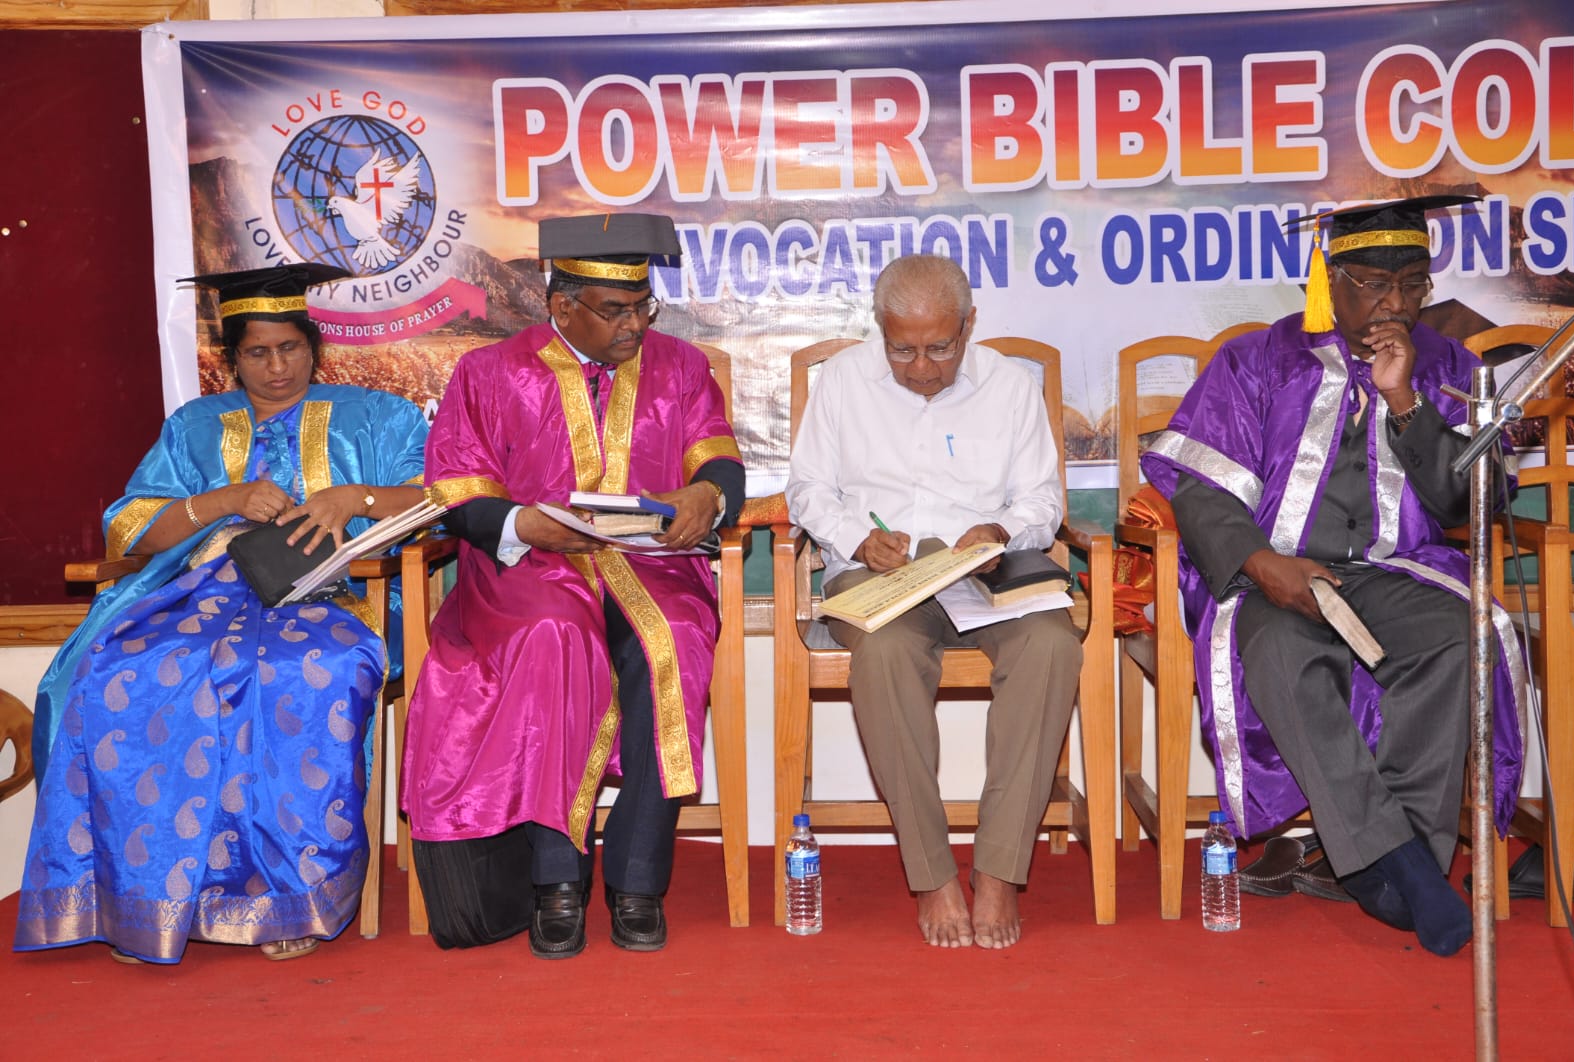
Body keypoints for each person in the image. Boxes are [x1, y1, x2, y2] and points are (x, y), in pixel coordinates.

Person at [1141, 195, 1528, 957]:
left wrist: (1405, 400)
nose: (1395, 304)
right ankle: (1404, 869)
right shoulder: (1256, 359)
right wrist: (1262, 564)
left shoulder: (1451, 368)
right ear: (1327, 282)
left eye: (1412, 285)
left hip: (1397, 572)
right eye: (1375, 285)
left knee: (1459, 637)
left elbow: (1468, 505)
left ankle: (1397, 861)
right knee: (1282, 655)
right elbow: (1198, 488)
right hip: (1271, 574)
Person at [16, 264, 430, 964]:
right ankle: (142, 900)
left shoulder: (378, 417)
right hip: (197, 598)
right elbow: (132, 528)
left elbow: (437, 497)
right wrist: (223, 501)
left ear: (314, 347)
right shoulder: (195, 426)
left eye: (290, 348)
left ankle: (288, 898)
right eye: (257, 353)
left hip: (334, 601)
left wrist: (353, 498)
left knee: (294, 676)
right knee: (128, 672)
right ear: (231, 359)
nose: (277, 367)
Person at [402, 213, 744, 959]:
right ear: (562, 306)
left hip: (650, 565)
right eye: (616, 310)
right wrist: (523, 523)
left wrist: (707, 496)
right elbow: (457, 493)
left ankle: (637, 882)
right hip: (532, 568)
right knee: (555, 639)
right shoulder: (489, 372)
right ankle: (556, 879)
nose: (635, 325)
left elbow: (719, 461)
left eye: (644, 307)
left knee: (674, 639)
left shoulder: (682, 367)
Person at [785, 254, 1083, 949]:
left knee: (1051, 644)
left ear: (969, 325)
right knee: (887, 655)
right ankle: (932, 875)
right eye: (902, 350)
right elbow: (807, 490)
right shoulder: (843, 382)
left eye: (940, 349)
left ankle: (1000, 869)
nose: (921, 368)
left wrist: (1001, 531)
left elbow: (1043, 501)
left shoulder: (1009, 386)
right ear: (880, 329)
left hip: (986, 570)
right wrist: (857, 539)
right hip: (880, 574)